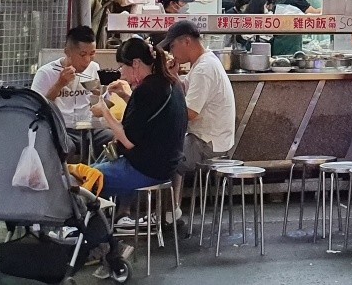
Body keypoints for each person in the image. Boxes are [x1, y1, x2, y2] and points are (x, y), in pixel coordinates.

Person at [91, 37, 188, 209]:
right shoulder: (171, 83)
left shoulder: (146, 90)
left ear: (136, 63)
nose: (122, 72)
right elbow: (149, 118)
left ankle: (83, 231)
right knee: (93, 170)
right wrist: (126, 96)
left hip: (145, 169)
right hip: (167, 167)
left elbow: (128, 141)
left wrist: (104, 110)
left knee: (83, 178)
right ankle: (118, 219)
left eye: (123, 66)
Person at [159, 21, 236, 224]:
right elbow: (190, 94)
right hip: (209, 137)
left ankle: (167, 214)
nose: (172, 52)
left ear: (186, 41)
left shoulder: (204, 68)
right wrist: (174, 77)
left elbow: (190, 113)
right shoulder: (204, 62)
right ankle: (171, 212)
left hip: (208, 143)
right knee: (169, 150)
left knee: (165, 157)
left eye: (173, 46)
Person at [31, 26, 113, 158]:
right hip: (62, 130)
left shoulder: (94, 68)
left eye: (92, 54)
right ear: (67, 52)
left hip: (89, 128)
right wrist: (59, 85)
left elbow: (102, 103)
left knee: (113, 138)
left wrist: (101, 92)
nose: (87, 60)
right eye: (82, 55)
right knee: (63, 147)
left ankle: (99, 174)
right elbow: (36, 108)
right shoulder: (46, 73)